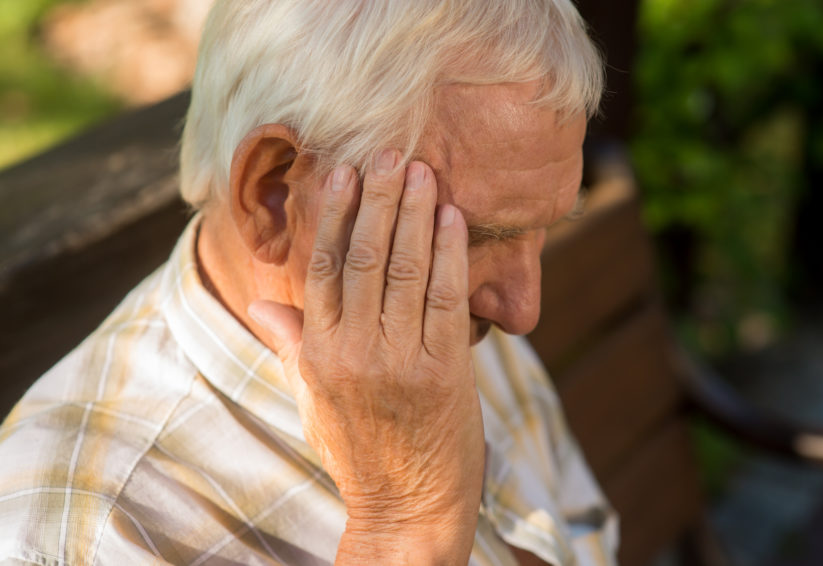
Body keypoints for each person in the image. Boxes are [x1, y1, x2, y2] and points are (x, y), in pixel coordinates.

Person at [0, 1, 618, 564]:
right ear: (272, 195)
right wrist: (403, 528)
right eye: (479, 236)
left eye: (541, 225)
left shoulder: (432, 313)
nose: (522, 309)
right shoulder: (81, 532)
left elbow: (583, 535)